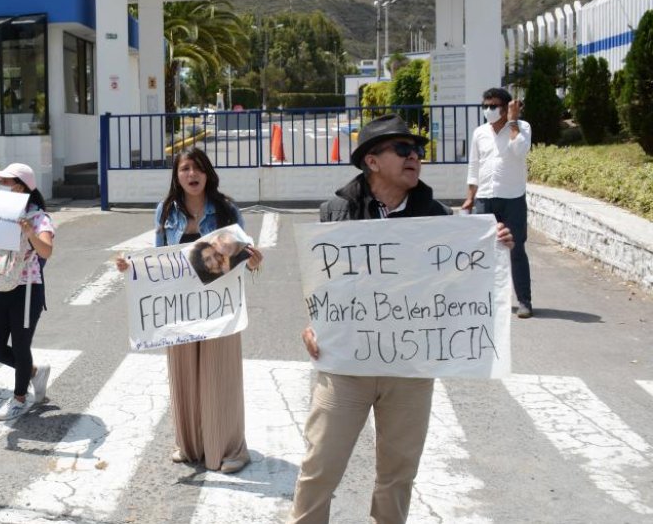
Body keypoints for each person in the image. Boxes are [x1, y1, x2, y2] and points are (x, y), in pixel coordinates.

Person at [291, 114, 512, 524]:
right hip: (346, 365)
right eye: (404, 150)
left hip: (409, 368)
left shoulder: (437, 216)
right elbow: (323, 285)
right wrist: (312, 324)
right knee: (320, 466)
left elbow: (461, 279)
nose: (416, 157)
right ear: (372, 162)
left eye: (419, 151)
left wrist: (493, 246)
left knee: (398, 473)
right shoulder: (336, 211)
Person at [114, 147, 262, 473]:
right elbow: (158, 259)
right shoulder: (166, 212)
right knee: (183, 376)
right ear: (176, 175)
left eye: (197, 169)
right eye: (184, 170)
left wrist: (253, 261)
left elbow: (244, 258)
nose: (191, 175)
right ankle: (189, 444)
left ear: (207, 173)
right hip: (178, 310)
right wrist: (132, 266)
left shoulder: (226, 210)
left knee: (219, 377)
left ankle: (233, 449)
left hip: (219, 310)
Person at [0, 163, 56, 422]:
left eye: (7, 181)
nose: (2, 186)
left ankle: (19, 399)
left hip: (26, 289)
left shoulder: (38, 216)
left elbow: (46, 251)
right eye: (2, 181)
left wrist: (29, 231)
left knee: (20, 346)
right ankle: (33, 371)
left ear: (21, 186)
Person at [462, 87, 534, 318]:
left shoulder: (522, 128)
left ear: (506, 108)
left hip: (512, 198)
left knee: (516, 250)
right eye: (485, 106)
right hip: (484, 198)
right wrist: (470, 197)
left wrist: (513, 122)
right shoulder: (479, 133)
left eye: (493, 106)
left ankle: (524, 301)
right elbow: (474, 166)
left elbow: (519, 150)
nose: (488, 110)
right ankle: (487, 300)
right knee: (486, 251)